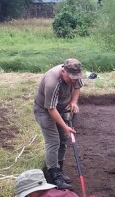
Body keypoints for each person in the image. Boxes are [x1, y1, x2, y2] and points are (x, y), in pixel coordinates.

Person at [34, 58, 87, 190]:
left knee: (63, 139)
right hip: (44, 111)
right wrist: (65, 126)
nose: (74, 80)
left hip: (61, 108)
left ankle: (60, 169)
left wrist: (74, 102)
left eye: (76, 78)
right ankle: (54, 176)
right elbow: (51, 109)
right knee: (53, 141)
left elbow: (77, 87)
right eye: (71, 78)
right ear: (63, 71)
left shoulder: (75, 75)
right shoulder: (52, 82)